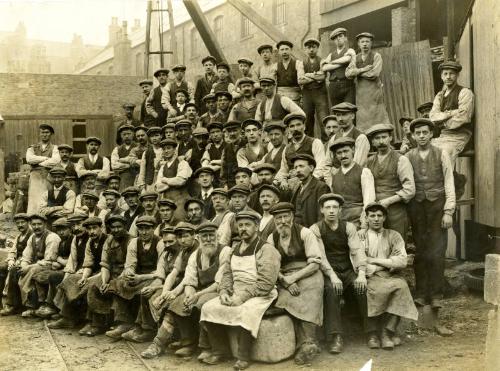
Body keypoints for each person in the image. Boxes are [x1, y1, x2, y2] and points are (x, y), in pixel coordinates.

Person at [200, 210, 281, 369]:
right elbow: (227, 274)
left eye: (248, 225)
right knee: (208, 307)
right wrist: (224, 291)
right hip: (236, 290)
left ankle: (243, 356)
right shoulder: (234, 249)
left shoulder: (266, 249)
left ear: (256, 226)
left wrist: (242, 297)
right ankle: (219, 350)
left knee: (246, 311)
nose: (243, 228)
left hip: (261, 293)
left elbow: (266, 282)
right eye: (240, 225)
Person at [141, 222, 230, 358]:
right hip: (199, 290)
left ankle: (199, 345)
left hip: (220, 290)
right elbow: (189, 280)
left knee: (199, 304)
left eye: (211, 236)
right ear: (199, 238)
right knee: (178, 302)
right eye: (204, 236)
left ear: (217, 236)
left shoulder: (225, 251)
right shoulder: (196, 255)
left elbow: (221, 282)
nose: (208, 240)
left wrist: (197, 295)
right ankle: (159, 345)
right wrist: (189, 295)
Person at [405, 118, 455, 336]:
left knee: (437, 251)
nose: (422, 136)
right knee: (421, 250)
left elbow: (449, 182)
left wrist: (448, 211)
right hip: (417, 207)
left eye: (426, 132)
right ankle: (421, 292)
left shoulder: (441, 153)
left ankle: (436, 295)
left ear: (432, 134)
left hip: (437, 206)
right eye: (418, 133)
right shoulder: (408, 157)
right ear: (413, 135)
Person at [309, 193, 371, 352]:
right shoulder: (316, 229)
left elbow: (357, 251)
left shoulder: (349, 227)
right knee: (331, 290)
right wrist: (332, 275)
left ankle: (372, 331)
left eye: (335, 207)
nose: (331, 211)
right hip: (328, 270)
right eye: (327, 207)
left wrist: (362, 273)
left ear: (340, 210)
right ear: (322, 210)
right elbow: (320, 256)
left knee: (362, 288)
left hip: (347, 269)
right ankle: (335, 336)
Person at [266, 202, 324, 364]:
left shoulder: (306, 233)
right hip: (284, 276)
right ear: (274, 220)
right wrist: (286, 282)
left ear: (292, 216)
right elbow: (272, 265)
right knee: (285, 300)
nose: (282, 221)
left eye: (285, 217)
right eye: (278, 218)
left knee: (309, 295)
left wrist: (294, 278)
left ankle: (308, 342)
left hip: (308, 273)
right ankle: (303, 345)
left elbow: (315, 263)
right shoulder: (272, 238)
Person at [359, 202, 418, 349]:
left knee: (402, 287)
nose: (376, 219)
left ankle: (387, 331)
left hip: (389, 275)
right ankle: (372, 333)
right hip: (369, 275)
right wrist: (385, 263)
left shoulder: (394, 235)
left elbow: (402, 260)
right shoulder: (360, 236)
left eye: (379, 215)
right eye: (372, 216)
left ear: (384, 218)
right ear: (366, 218)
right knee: (368, 290)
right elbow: (357, 258)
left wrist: (375, 262)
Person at [99, 215, 166, 339]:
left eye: (147, 228)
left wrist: (141, 278)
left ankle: (146, 328)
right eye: (141, 229)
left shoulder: (160, 243)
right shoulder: (134, 242)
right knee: (118, 283)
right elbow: (130, 264)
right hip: (138, 276)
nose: (144, 232)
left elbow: (161, 271)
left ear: (154, 228)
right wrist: (130, 273)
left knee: (145, 292)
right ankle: (124, 322)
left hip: (154, 277)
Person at [141, 222, 199, 358]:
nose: (182, 240)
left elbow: (189, 278)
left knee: (175, 305)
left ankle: (159, 345)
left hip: (198, 286)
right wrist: (165, 292)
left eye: (186, 236)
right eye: (179, 237)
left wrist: (173, 292)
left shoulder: (197, 250)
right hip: (187, 285)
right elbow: (174, 272)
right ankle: (181, 340)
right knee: (163, 300)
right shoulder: (183, 251)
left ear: (194, 236)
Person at [365, 124, 415, 240]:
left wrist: (388, 201)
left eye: (384, 137)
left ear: (390, 138)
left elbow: (410, 190)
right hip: (375, 212)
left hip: (396, 211)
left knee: (397, 244)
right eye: (377, 138)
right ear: (372, 142)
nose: (381, 141)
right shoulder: (369, 161)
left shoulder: (401, 160)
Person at [47, 213, 91, 328]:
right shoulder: (76, 239)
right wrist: (66, 276)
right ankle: (61, 311)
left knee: (71, 281)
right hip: (78, 270)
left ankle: (68, 318)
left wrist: (74, 275)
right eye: (73, 225)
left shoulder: (91, 238)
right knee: (59, 277)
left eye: (79, 224)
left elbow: (90, 262)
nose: (76, 228)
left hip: (91, 271)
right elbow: (72, 261)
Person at [74, 216, 114, 336]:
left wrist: (90, 279)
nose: (92, 232)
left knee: (92, 285)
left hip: (109, 272)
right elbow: (88, 263)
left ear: (101, 228)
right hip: (96, 272)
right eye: (89, 229)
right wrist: (84, 277)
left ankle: (96, 323)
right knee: (72, 281)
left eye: (94, 228)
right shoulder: (90, 242)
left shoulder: (108, 239)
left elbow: (106, 264)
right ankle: (69, 317)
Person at [429, 60, 474, 166]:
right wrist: (451, 113)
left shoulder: (465, 92)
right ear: (441, 76)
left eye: (452, 73)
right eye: (445, 73)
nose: (448, 77)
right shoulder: (440, 96)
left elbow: (464, 117)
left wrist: (443, 122)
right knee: (427, 152)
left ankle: (450, 181)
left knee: (445, 154)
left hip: (460, 135)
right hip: (443, 135)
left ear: (457, 75)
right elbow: (433, 116)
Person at [18, 214, 61, 317]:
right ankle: (22, 305)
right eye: (33, 224)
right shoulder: (32, 237)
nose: (36, 227)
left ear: (45, 224)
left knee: (33, 271)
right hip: (38, 265)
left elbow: (49, 259)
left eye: (39, 224)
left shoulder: (52, 237)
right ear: (30, 225)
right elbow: (26, 256)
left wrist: (28, 267)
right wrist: (24, 265)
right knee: (19, 269)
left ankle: (36, 305)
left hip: (53, 265)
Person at [345, 32, 390, 132]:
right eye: (362, 42)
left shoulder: (376, 56)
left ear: (371, 43)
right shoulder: (355, 58)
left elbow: (374, 73)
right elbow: (348, 73)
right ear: (359, 44)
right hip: (361, 94)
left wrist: (357, 73)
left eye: (367, 41)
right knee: (363, 117)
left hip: (374, 92)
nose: (365, 44)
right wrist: (362, 70)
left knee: (378, 116)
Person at [329, 137, 375, 228]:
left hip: (357, 219)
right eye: (339, 153)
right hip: (340, 219)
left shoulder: (364, 172)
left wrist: (364, 220)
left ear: (353, 150)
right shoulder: (334, 174)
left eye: (346, 151)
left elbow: (369, 199)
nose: (343, 156)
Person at [32, 217, 73, 318]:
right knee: (39, 275)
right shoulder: (61, 242)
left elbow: (72, 259)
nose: (61, 232)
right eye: (59, 230)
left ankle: (54, 307)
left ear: (70, 229)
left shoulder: (72, 240)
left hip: (70, 268)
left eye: (64, 229)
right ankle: (42, 303)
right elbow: (55, 257)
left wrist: (60, 261)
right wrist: (58, 261)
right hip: (61, 266)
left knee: (54, 276)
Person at [275, 113, 327, 187]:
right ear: (289, 129)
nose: (295, 128)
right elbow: (283, 170)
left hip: (312, 184)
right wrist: (280, 180)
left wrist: (307, 183)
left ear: (304, 126)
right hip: (292, 185)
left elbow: (321, 167)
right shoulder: (286, 149)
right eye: (292, 126)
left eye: (298, 125)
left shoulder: (315, 143)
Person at [0, 213, 33, 316]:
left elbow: (30, 254)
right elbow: (13, 251)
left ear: (28, 223)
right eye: (18, 223)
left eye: (22, 222)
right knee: (1, 267)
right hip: (18, 261)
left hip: (29, 261)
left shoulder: (32, 235)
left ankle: (13, 304)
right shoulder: (19, 236)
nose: (20, 225)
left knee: (14, 270)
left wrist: (18, 261)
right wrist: (10, 260)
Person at [325, 102, 370, 173]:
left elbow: (357, 165)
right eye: (338, 115)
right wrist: (330, 181)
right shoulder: (333, 138)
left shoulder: (360, 137)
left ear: (352, 116)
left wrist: (338, 173)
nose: (340, 119)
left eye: (344, 115)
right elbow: (327, 164)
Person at [26, 123, 60, 213]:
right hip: (35, 178)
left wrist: (38, 164)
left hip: (47, 177)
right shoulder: (32, 147)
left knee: (46, 200)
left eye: (47, 132)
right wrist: (45, 158)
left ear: (51, 134)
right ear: (39, 134)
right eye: (42, 132)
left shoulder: (55, 148)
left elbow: (55, 161)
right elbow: (29, 159)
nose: (44, 134)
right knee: (33, 201)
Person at [155, 138, 193, 220]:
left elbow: (181, 181)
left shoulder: (182, 163)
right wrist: (172, 182)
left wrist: (165, 180)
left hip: (181, 201)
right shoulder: (162, 167)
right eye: (164, 149)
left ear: (174, 149)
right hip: (167, 202)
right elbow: (158, 187)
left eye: (169, 148)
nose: (166, 151)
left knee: (180, 221)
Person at [290, 154, 330, 227]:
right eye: (295, 167)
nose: (298, 170)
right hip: (297, 231)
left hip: (312, 231)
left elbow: (322, 215)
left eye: (301, 166)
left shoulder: (321, 187)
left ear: (311, 168)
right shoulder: (296, 188)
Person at [300, 38, 329, 137]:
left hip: (320, 93)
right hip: (307, 94)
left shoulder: (322, 61)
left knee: (323, 119)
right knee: (307, 120)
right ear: (306, 49)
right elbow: (300, 80)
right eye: (309, 47)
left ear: (317, 48)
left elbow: (322, 78)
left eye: (314, 47)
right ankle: (310, 145)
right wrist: (315, 76)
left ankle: (326, 145)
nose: (311, 49)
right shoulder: (301, 63)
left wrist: (308, 75)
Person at [322, 28, 356, 106]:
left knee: (349, 109)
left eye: (340, 36)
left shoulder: (350, 51)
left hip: (347, 85)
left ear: (345, 38)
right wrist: (340, 64)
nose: (338, 39)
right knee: (336, 111)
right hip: (334, 86)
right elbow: (324, 68)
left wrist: (331, 63)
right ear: (334, 41)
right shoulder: (331, 54)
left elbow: (347, 59)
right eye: (335, 38)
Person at [219, 121, 246, 189]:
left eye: (235, 130)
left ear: (240, 131)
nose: (232, 134)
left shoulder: (246, 145)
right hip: (230, 184)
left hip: (244, 182)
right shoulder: (226, 148)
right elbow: (223, 168)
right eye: (229, 131)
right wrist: (224, 184)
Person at [111, 124, 138, 190]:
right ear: (121, 136)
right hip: (123, 179)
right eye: (124, 134)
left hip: (137, 177)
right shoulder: (117, 149)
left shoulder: (139, 147)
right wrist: (131, 164)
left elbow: (141, 162)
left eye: (129, 134)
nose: (126, 136)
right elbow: (114, 165)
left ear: (133, 134)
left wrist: (121, 161)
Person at [275, 40, 303, 105]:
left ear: (291, 50)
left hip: (295, 96)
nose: (284, 52)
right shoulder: (275, 66)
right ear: (279, 52)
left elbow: (301, 82)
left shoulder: (298, 63)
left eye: (286, 49)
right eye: (282, 50)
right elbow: (274, 83)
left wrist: (302, 98)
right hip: (280, 96)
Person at [136, 126, 163, 191]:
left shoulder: (165, 150)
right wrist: (141, 183)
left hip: (162, 181)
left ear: (161, 136)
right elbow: (142, 169)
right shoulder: (147, 152)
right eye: (152, 136)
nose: (154, 138)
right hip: (150, 181)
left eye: (156, 135)